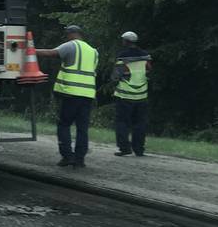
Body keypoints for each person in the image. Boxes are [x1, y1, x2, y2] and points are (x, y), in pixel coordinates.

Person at [36, 25, 99, 168]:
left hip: (71, 93)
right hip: (88, 94)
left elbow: (50, 53)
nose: (65, 37)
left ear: (71, 34)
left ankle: (67, 156)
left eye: (66, 34)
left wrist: (29, 51)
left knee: (64, 125)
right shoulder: (93, 51)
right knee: (82, 128)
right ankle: (80, 160)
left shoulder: (71, 46)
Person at [111, 31, 151, 157]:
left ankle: (124, 148)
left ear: (126, 41)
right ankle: (139, 149)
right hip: (142, 96)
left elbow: (116, 76)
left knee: (122, 122)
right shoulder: (145, 56)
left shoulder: (123, 57)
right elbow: (149, 70)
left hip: (125, 96)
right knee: (140, 123)